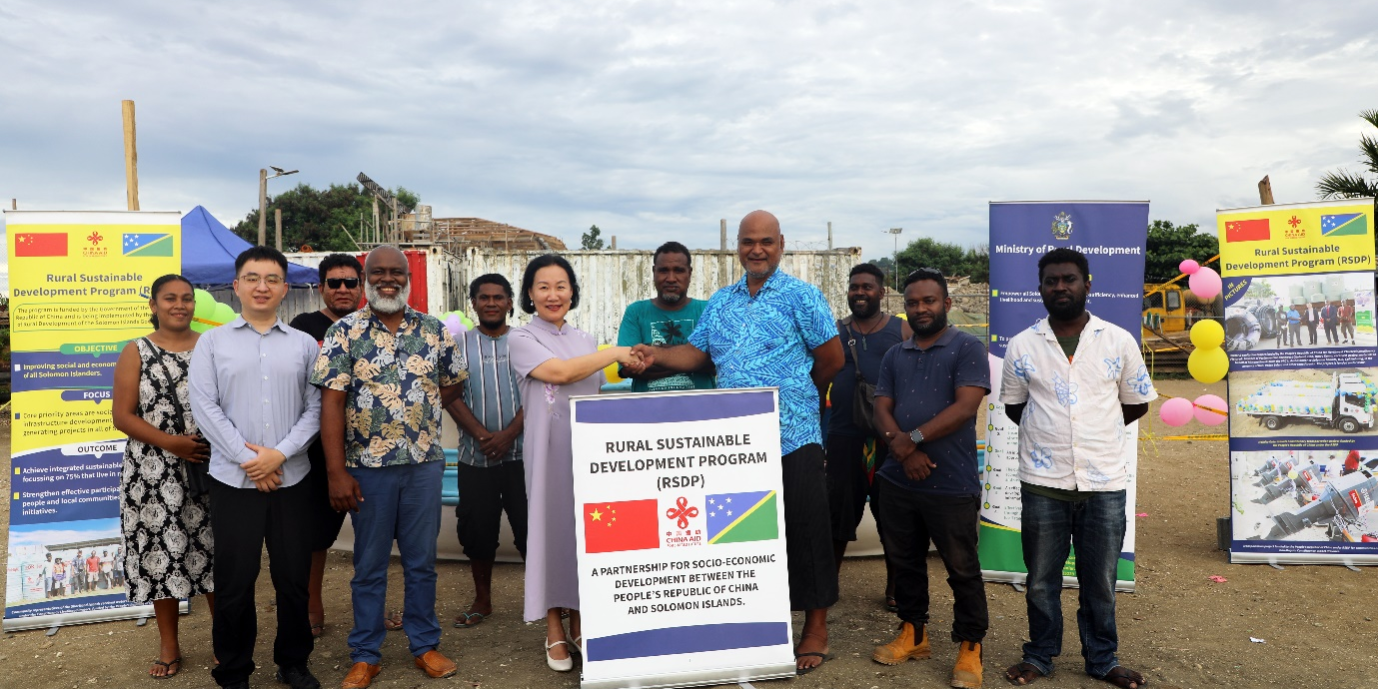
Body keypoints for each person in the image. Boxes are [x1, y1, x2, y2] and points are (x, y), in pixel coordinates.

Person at [632, 210, 845, 674]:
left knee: (807, 528)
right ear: (738, 248)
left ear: (781, 244)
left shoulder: (802, 297)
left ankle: (815, 627)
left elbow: (831, 358)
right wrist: (657, 355)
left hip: (795, 435)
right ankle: (752, 622)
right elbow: (696, 353)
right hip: (737, 443)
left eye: (766, 241)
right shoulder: (722, 302)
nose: (757, 249)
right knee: (745, 532)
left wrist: (796, 392)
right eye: (749, 241)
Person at [999, 248, 1156, 689]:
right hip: (1043, 485)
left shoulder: (1118, 340)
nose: (1060, 287)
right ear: (1041, 288)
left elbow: (1136, 402)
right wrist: (1055, 435)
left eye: (1069, 279)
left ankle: (1103, 659)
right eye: (1052, 281)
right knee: (1040, 581)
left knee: (1100, 582)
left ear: (1088, 283)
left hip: (1103, 482)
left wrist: (1093, 432)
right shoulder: (1022, 345)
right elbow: (1015, 407)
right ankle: (1040, 655)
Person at [313, 246, 467, 689]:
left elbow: (452, 387)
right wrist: (336, 472)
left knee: (422, 563)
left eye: (395, 272)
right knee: (369, 566)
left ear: (407, 278)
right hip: (367, 470)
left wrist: (421, 415)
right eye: (377, 272)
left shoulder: (434, 331)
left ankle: (424, 645)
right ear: (365, 279)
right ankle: (366, 654)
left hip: (422, 466)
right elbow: (332, 405)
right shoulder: (344, 333)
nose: (387, 279)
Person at [190, 247, 323, 689]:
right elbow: (204, 407)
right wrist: (251, 460)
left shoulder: (305, 345)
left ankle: (293, 662)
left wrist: (278, 455)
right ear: (237, 285)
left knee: (292, 579)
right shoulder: (212, 342)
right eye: (252, 277)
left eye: (271, 278)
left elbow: (316, 407)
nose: (261, 286)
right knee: (234, 582)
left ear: (285, 287)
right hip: (233, 480)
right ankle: (233, 669)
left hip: (292, 478)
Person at [506, 254, 645, 672]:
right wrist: (620, 351)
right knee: (551, 534)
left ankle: (583, 624)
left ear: (573, 291)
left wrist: (632, 362)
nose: (553, 294)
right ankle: (554, 629)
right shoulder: (520, 338)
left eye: (561, 286)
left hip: (587, 454)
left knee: (586, 537)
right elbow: (563, 374)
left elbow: (599, 392)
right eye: (543, 286)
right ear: (529, 294)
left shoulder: (587, 340)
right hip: (547, 453)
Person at [869, 267, 990, 688]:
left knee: (961, 568)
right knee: (904, 561)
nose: (921, 309)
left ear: (947, 304)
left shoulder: (967, 348)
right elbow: (880, 406)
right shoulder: (895, 354)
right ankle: (914, 633)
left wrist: (912, 440)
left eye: (929, 301)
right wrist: (901, 448)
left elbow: (965, 408)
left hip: (951, 481)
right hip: (899, 479)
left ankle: (970, 647)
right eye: (913, 303)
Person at [112, 273, 216, 679]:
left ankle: (225, 640)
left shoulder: (212, 348)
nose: (180, 305)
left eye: (187, 298)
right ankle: (169, 644)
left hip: (209, 467)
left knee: (216, 556)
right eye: (169, 298)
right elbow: (122, 416)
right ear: (153, 305)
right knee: (164, 557)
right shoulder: (135, 350)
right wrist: (172, 443)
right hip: (153, 474)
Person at [289, 253, 366, 639]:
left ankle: (372, 611)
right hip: (318, 450)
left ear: (361, 287)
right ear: (322, 287)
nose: (342, 289)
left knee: (374, 535)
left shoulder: (375, 327)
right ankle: (312, 608)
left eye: (350, 282)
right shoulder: (304, 328)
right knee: (315, 536)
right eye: (334, 282)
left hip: (371, 447)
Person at [448, 274, 528, 629]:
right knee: (477, 532)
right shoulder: (457, 344)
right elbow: (449, 395)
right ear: (474, 304)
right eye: (484, 298)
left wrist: (509, 435)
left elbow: (540, 393)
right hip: (475, 458)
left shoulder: (527, 342)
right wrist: (484, 436)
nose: (492, 303)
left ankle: (545, 602)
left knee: (531, 531)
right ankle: (483, 599)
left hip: (525, 458)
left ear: (510, 302)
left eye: (499, 297)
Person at [827, 263, 909, 609]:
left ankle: (895, 587)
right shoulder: (834, 330)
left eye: (867, 287)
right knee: (838, 513)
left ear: (881, 292)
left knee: (892, 515)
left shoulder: (901, 330)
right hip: (844, 436)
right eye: (854, 287)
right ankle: (826, 585)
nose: (859, 293)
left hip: (889, 440)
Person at [616, 241, 716, 392]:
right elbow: (628, 367)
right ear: (654, 272)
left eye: (679, 270)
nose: (671, 278)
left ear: (689, 273)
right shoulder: (636, 312)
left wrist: (655, 354)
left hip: (700, 409)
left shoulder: (708, 310)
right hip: (649, 410)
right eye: (663, 270)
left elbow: (717, 363)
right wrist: (693, 360)